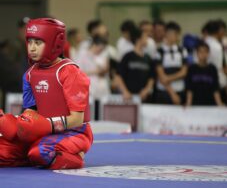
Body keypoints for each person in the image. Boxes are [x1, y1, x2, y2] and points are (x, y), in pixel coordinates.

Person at [0, 18, 93, 169]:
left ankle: (76, 156)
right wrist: (17, 125)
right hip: (43, 133)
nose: (32, 48)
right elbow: (31, 112)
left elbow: (77, 119)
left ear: (53, 43)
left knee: (41, 152)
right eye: (29, 42)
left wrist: (48, 124)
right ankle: (30, 155)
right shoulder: (30, 74)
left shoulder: (69, 72)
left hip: (74, 133)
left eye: (38, 43)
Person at [116, 28, 155, 102]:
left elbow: (151, 78)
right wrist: (125, 91)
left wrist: (146, 90)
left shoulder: (148, 58)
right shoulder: (127, 56)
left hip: (144, 98)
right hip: (129, 98)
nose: (147, 40)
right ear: (138, 39)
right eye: (145, 37)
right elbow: (118, 76)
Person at [155, 21, 188, 105]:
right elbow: (161, 76)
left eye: (178, 34)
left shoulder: (182, 50)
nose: (177, 37)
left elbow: (184, 72)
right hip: (163, 91)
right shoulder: (159, 51)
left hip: (180, 89)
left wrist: (168, 78)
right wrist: (172, 94)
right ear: (167, 34)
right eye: (175, 34)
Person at [77, 35, 110, 120]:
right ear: (94, 45)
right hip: (89, 89)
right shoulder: (83, 54)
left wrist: (103, 70)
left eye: (103, 49)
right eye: (100, 48)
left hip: (102, 89)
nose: (101, 51)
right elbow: (78, 72)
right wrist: (95, 71)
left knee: (102, 115)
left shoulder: (103, 55)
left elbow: (105, 70)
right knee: (90, 115)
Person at [185, 41, 224, 106]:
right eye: (200, 52)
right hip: (195, 104)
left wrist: (219, 104)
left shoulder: (212, 68)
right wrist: (188, 103)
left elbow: (215, 88)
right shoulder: (192, 68)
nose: (203, 54)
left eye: (205, 51)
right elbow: (189, 88)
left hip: (210, 104)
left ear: (208, 53)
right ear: (197, 53)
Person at [204, 20, 227, 104]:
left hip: (202, 83)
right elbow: (224, 68)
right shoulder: (218, 46)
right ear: (219, 31)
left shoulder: (201, 44)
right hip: (218, 84)